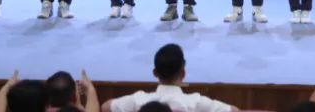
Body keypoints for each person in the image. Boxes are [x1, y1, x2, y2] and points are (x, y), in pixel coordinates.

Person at [101, 43, 236, 112]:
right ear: (183, 73)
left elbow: (105, 107)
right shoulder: (197, 103)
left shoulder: (138, 100)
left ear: (155, 72)